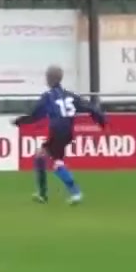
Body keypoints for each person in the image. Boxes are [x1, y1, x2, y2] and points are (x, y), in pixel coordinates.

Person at [13, 65, 106, 205]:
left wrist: (19, 121)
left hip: (56, 131)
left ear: (49, 79)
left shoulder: (48, 97)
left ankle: (75, 192)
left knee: (56, 163)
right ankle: (43, 194)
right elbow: (89, 107)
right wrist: (101, 119)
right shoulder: (70, 95)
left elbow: (35, 115)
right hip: (67, 132)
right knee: (40, 155)